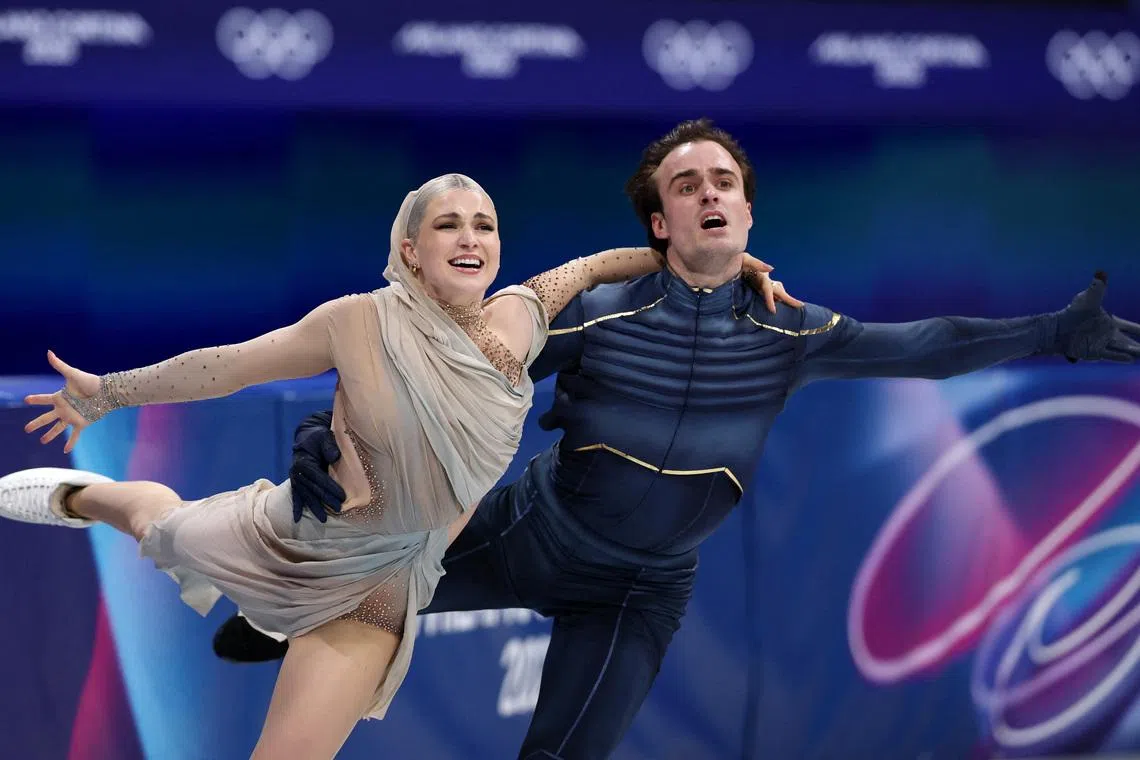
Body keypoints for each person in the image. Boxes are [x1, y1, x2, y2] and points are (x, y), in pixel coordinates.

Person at [216, 119, 1140, 760]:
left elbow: (928, 346)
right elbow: (420, 383)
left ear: (745, 216)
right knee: (338, 595)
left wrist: (1054, 333)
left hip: (643, 589)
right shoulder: (596, 318)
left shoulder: (794, 334)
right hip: (529, 538)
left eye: (724, 183)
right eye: (685, 184)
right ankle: (281, 608)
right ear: (659, 224)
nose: (708, 194)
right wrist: (314, 434)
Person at [0, 172, 784, 760]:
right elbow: (228, 367)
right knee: (157, 526)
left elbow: (591, 268)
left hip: (380, 586)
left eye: (485, 223)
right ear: (411, 249)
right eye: (448, 225)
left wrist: (714, 263)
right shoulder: (356, 321)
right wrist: (107, 392)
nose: (471, 237)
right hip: (296, 538)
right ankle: (87, 497)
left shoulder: (519, 317)